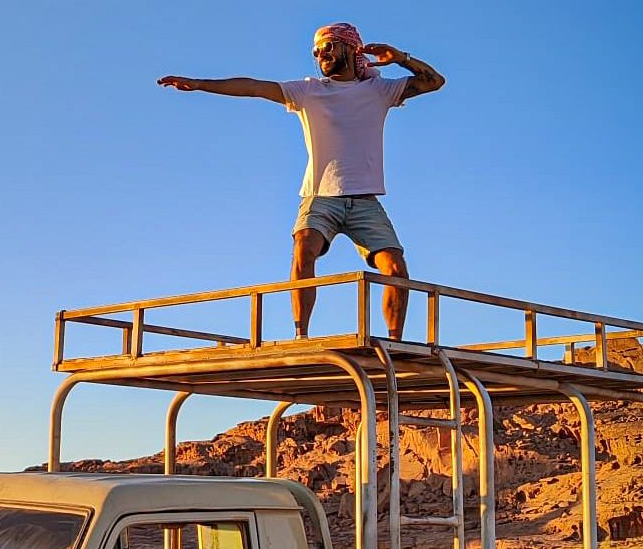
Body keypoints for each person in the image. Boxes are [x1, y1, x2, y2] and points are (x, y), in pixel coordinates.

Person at [158, 23, 444, 339]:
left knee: (396, 268)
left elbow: (434, 81)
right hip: (320, 195)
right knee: (303, 248)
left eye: (328, 47)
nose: (320, 54)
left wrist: (401, 57)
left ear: (350, 48)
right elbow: (253, 87)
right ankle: (301, 335)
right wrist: (199, 84)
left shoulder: (378, 91)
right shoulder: (308, 91)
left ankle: (393, 342)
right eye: (316, 51)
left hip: (365, 201)